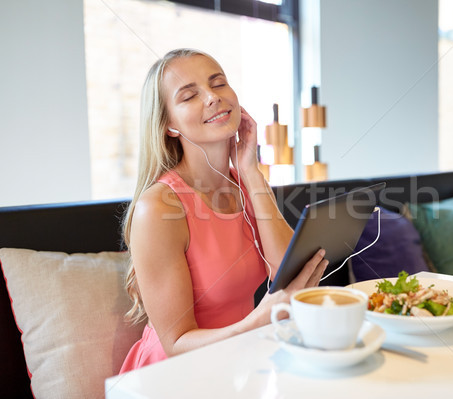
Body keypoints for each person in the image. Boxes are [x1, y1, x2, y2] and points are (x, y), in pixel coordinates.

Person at [119, 48, 328, 372]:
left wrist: (250, 171)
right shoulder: (158, 207)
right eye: (189, 95)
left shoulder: (245, 184)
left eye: (218, 84)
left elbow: (290, 269)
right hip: (171, 376)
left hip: (238, 363)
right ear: (170, 126)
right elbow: (176, 343)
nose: (213, 97)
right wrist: (260, 319)